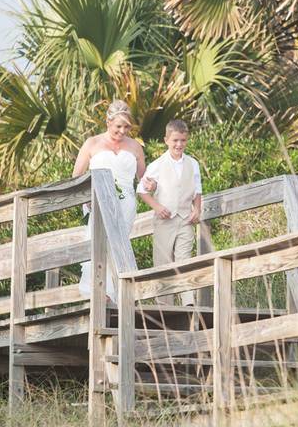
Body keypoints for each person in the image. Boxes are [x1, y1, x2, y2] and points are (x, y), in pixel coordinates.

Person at [72, 100, 146, 302]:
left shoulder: (135, 147)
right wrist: (86, 196)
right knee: (99, 242)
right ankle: (99, 292)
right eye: (118, 126)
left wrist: (153, 185)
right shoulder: (92, 143)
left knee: (119, 245)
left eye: (127, 127)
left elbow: (143, 179)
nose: (122, 131)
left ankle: (119, 293)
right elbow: (76, 176)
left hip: (126, 203)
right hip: (99, 203)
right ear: (108, 122)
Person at [137, 119, 203, 304]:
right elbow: (141, 190)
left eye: (182, 140)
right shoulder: (157, 164)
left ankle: (188, 302)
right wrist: (157, 207)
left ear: (187, 140)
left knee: (185, 259)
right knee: (163, 261)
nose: (179, 144)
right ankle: (165, 306)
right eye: (175, 140)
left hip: (185, 219)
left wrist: (197, 209)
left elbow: (197, 190)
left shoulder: (193, 164)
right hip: (164, 220)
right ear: (166, 140)